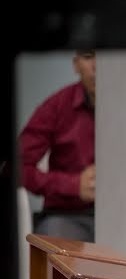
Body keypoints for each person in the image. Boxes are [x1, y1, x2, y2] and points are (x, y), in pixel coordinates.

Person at [18, 50, 97, 241]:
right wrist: (73, 185)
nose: (98, 66)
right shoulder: (57, 106)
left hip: (125, 214)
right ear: (76, 65)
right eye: (88, 57)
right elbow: (14, 167)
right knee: (56, 253)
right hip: (69, 216)